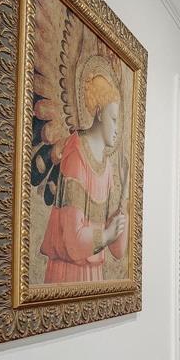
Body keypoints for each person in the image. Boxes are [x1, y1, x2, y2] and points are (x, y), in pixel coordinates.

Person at [39, 73, 127, 283]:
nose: (116, 130)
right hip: (69, 273)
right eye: (113, 120)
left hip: (92, 276)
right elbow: (72, 240)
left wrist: (125, 192)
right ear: (98, 113)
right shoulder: (76, 155)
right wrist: (105, 236)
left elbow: (119, 250)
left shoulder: (107, 167)